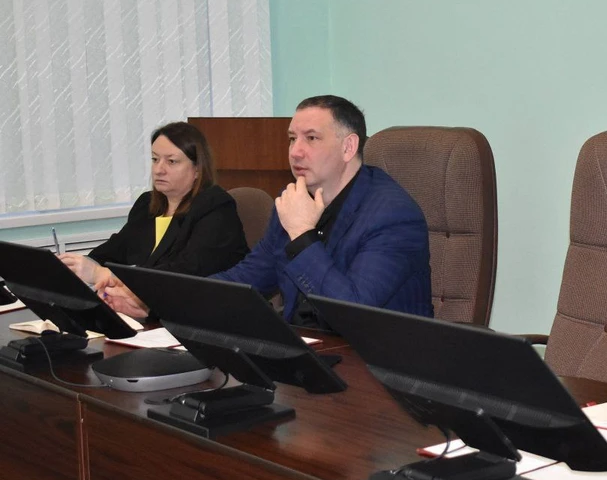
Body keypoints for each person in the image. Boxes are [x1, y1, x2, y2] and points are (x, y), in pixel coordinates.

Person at [103, 95, 433, 325]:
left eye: (311, 138)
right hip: (309, 351)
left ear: (349, 147)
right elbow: (246, 279)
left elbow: (353, 313)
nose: (296, 152)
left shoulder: (391, 216)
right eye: (291, 139)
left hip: (379, 369)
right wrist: (155, 302)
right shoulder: (293, 200)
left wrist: (302, 235)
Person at [60, 122, 248, 290]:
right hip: (146, 306)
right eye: (155, 159)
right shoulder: (146, 205)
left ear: (197, 169)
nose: (159, 169)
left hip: (197, 309)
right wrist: (79, 265)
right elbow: (115, 249)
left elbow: (185, 272)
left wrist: (105, 275)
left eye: (171, 161)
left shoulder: (216, 208)